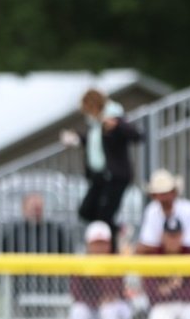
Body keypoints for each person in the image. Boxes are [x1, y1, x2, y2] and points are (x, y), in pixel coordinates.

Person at [61, 89, 144, 243]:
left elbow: (137, 135)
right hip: (99, 176)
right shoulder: (95, 124)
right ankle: (118, 231)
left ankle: (113, 242)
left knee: (104, 217)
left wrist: (117, 125)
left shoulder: (114, 118)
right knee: (86, 211)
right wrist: (77, 138)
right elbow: (97, 143)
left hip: (116, 176)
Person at [69, 222, 131, 319]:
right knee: (78, 310)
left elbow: (114, 292)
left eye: (103, 243)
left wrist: (98, 277)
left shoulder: (116, 261)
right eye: (95, 243)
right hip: (93, 308)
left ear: (109, 244)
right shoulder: (80, 263)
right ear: (88, 245)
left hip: (119, 310)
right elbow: (76, 294)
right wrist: (97, 297)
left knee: (109, 309)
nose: (99, 248)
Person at [136, 169, 190, 254]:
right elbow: (145, 244)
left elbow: (189, 245)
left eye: (165, 193)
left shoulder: (189, 210)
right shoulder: (151, 210)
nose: (162, 198)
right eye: (158, 194)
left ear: (174, 193)